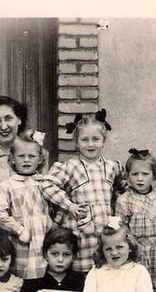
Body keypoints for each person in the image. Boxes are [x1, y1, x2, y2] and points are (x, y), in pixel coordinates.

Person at [41, 109, 123, 273]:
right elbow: (47, 186)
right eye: (85, 140)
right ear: (76, 142)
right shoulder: (70, 167)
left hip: (104, 230)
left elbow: (120, 189)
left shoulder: (112, 167)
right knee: (80, 273)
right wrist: (69, 205)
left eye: (96, 139)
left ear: (103, 140)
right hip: (79, 231)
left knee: (103, 271)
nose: (90, 144)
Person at [114, 148, 156, 292]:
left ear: (154, 175)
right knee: (135, 289)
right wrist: (133, 244)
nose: (140, 178)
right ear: (128, 177)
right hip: (136, 250)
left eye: (145, 174)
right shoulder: (125, 200)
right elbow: (121, 226)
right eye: (135, 174)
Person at [0, 129, 52, 280]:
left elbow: (55, 206)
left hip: (44, 241)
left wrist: (53, 225)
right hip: (20, 243)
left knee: (44, 279)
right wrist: (19, 230)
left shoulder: (45, 183)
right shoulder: (7, 185)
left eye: (31, 156)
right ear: (12, 159)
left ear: (40, 159)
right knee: (19, 280)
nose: (26, 160)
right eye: (21, 156)